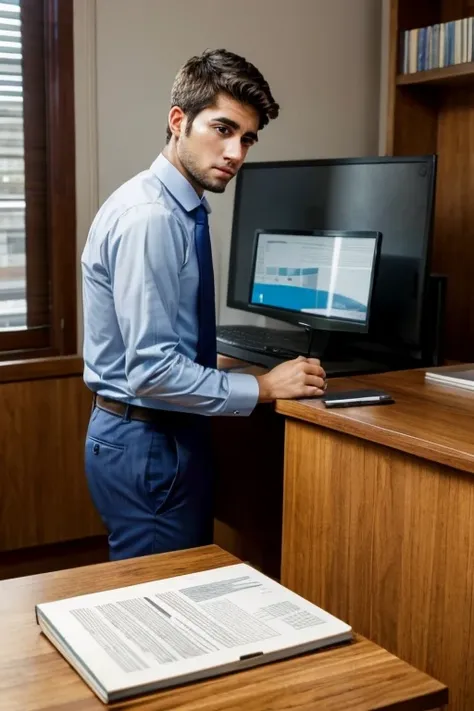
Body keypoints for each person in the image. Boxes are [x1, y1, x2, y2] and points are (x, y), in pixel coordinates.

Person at [81, 48, 326, 561]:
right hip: (148, 438)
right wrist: (260, 386)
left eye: (248, 138)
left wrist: (215, 361)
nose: (236, 152)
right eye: (223, 129)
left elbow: (154, 341)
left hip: (152, 432)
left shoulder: (177, 206)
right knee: (160, 609)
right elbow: (149, 370)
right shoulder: (152, 217)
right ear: (178, 121)